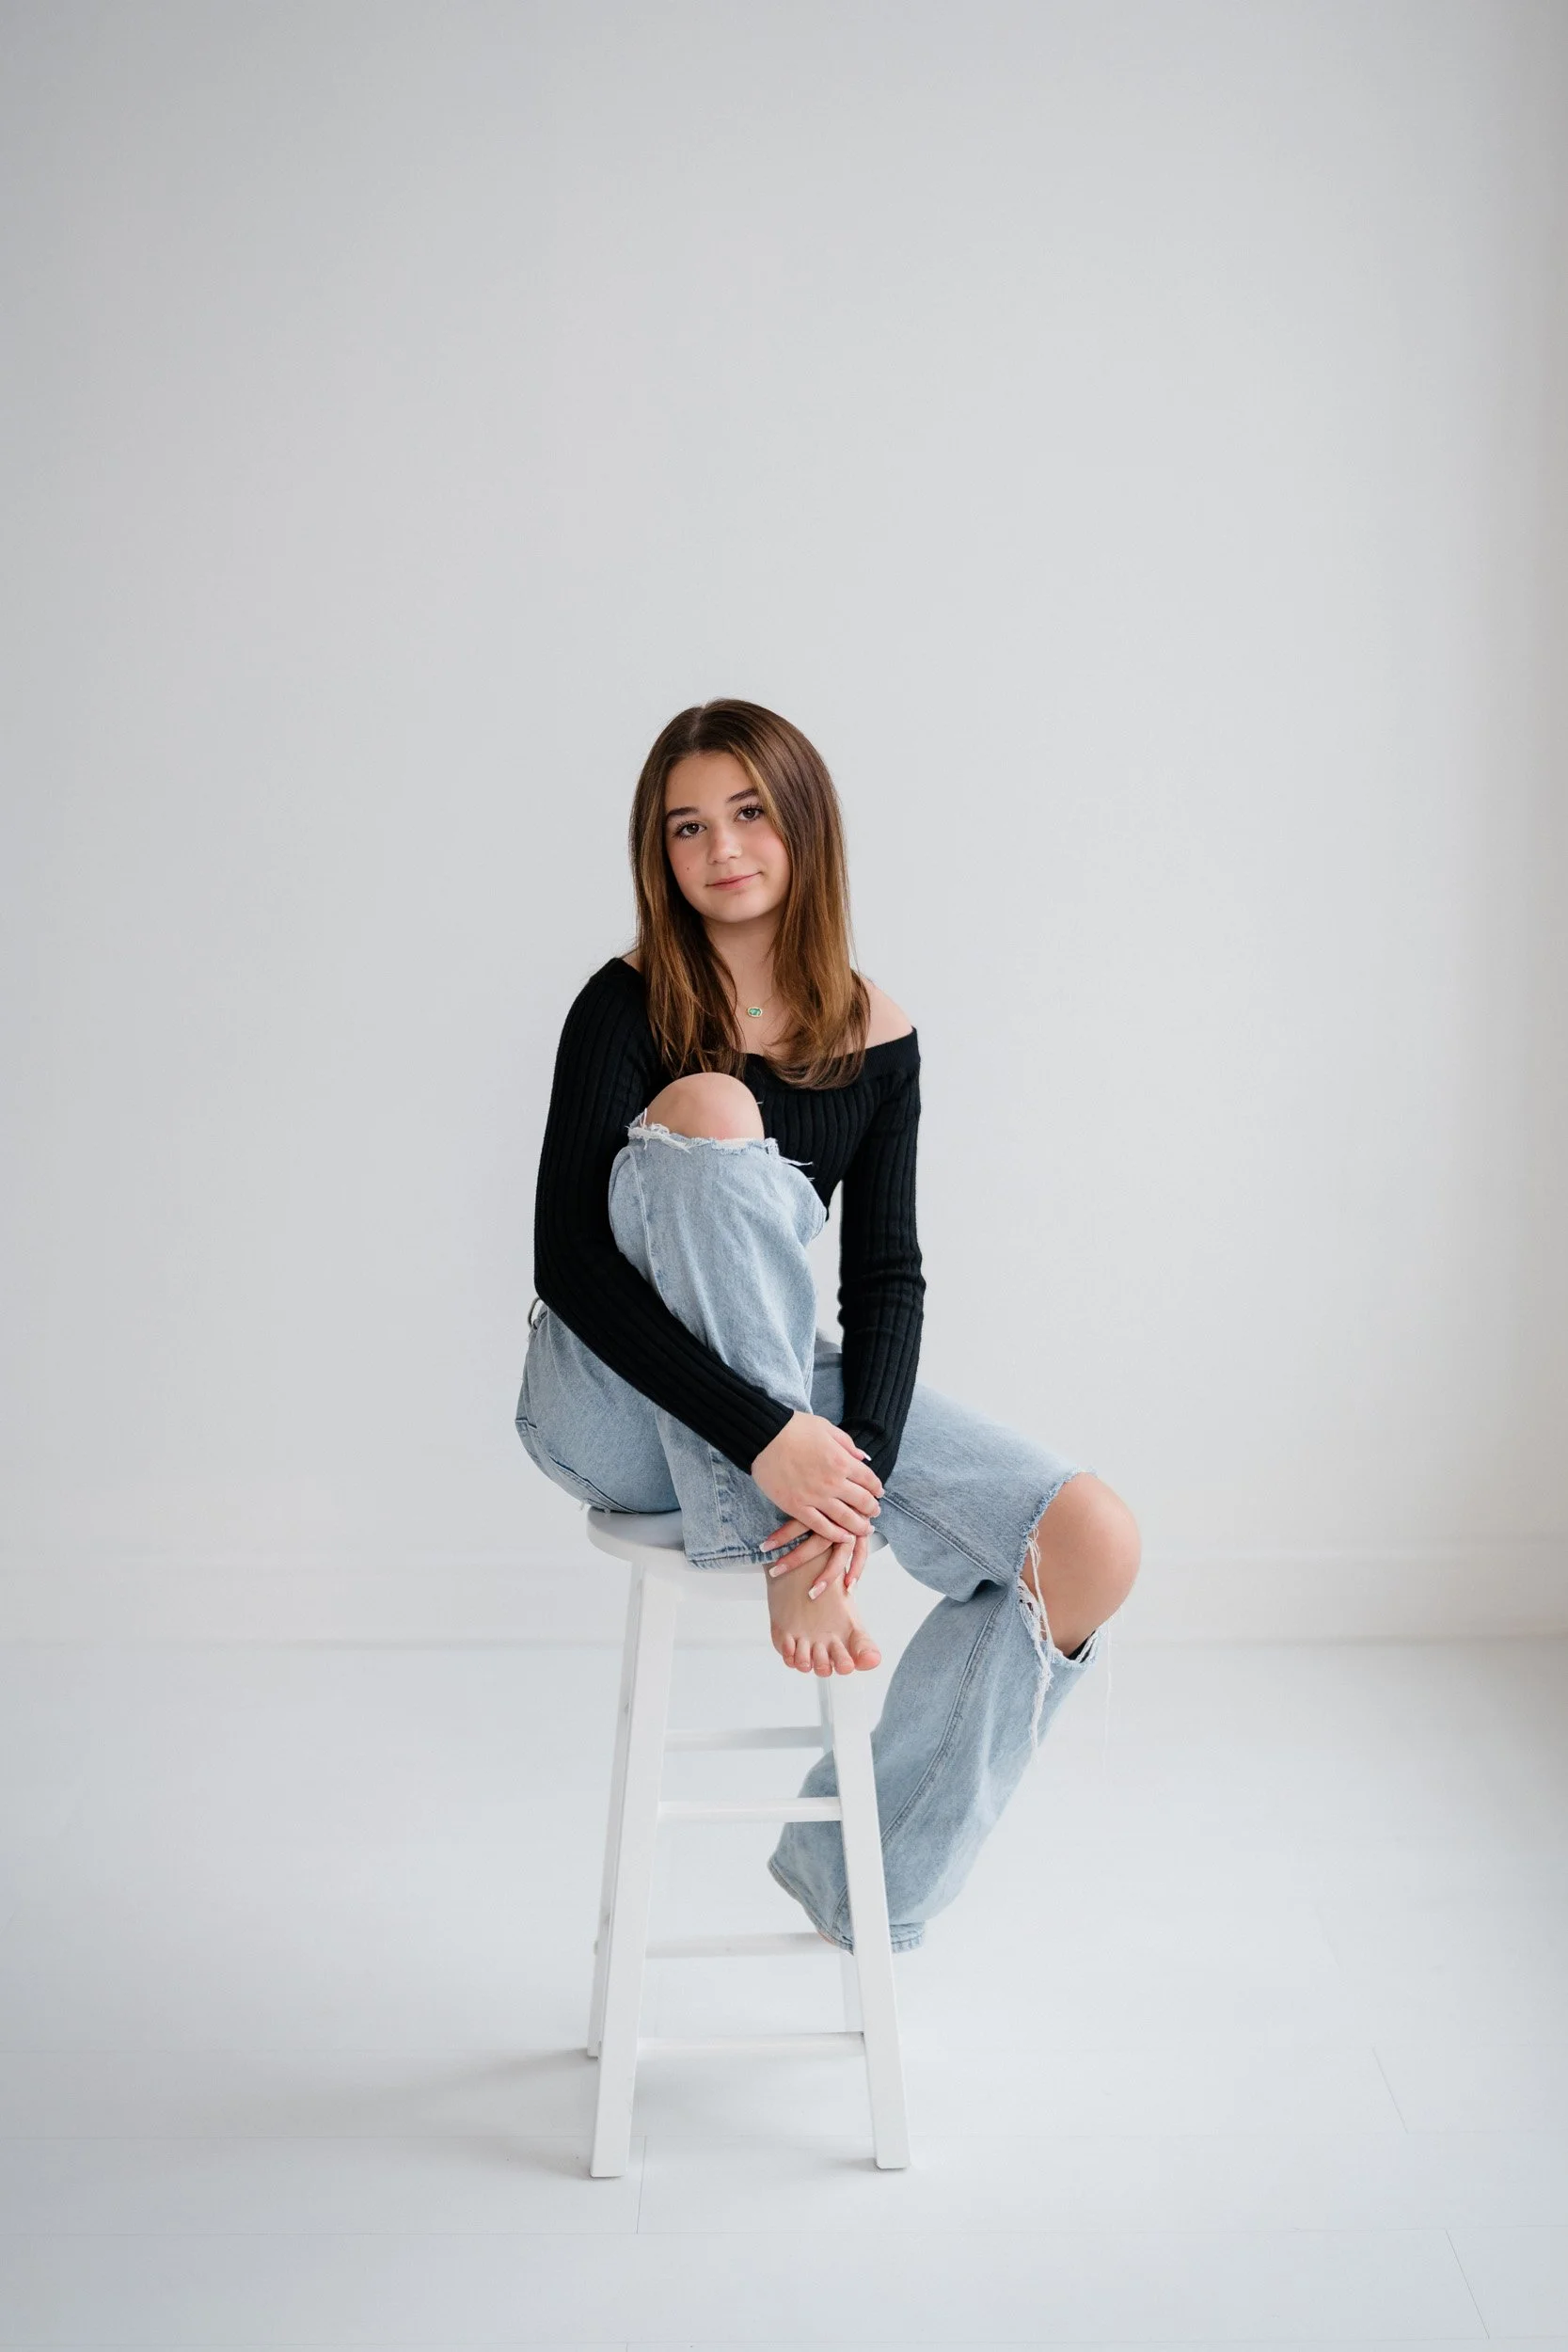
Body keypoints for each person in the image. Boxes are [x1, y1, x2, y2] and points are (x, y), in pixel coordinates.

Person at [515, 698, 1141, 1952]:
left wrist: (839, 1450)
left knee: (1085, 1540)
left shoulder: (879, 1036)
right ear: (659, 852)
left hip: (774, 1396)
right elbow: (570, 1263)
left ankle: (859, 1880)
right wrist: (772, 1448)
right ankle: (789, 1553)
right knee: (709, 1111)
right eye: (686, 825)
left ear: (805, 823)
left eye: (748, 812)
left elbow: (885, 1281)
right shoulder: (624, 1001)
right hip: (611, 1400)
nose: (721, 847)